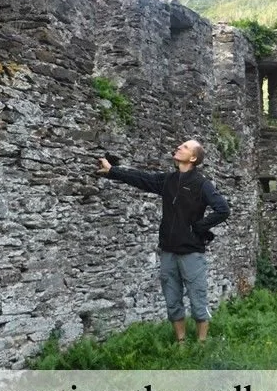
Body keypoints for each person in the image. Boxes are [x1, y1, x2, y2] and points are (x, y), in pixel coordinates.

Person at [98, 140, 230, 344]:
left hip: (191, 252)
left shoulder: (202, 184)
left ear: (193, 158)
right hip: (168, 251)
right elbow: (142, 178)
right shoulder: (169, 180)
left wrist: (198, 227)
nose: (179, 147)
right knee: (172, 300)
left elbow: (223, 209)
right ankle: (181, 343)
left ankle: (202, 344)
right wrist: (112, 170)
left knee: (198, 299)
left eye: (185, 147)